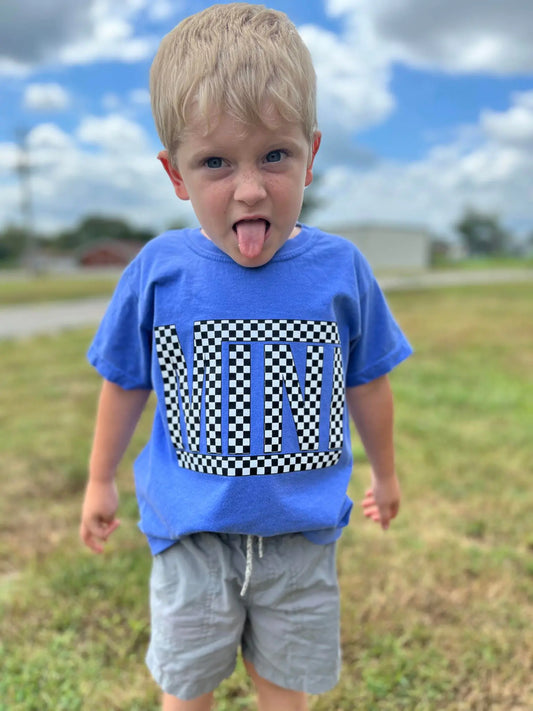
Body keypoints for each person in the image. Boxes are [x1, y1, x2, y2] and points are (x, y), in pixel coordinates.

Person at [80, 4, 413, 710]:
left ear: (311, 154)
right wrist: (99, 480)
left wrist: (384, 474)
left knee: (283, 691)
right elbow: (124, 380)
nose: (251, 188)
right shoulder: (159, 270)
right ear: (174, 174)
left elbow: (369, 381)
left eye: (273, 155)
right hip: (191, 534)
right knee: (186, 686)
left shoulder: (340, 269)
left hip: (299, 538)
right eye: (215, 162)